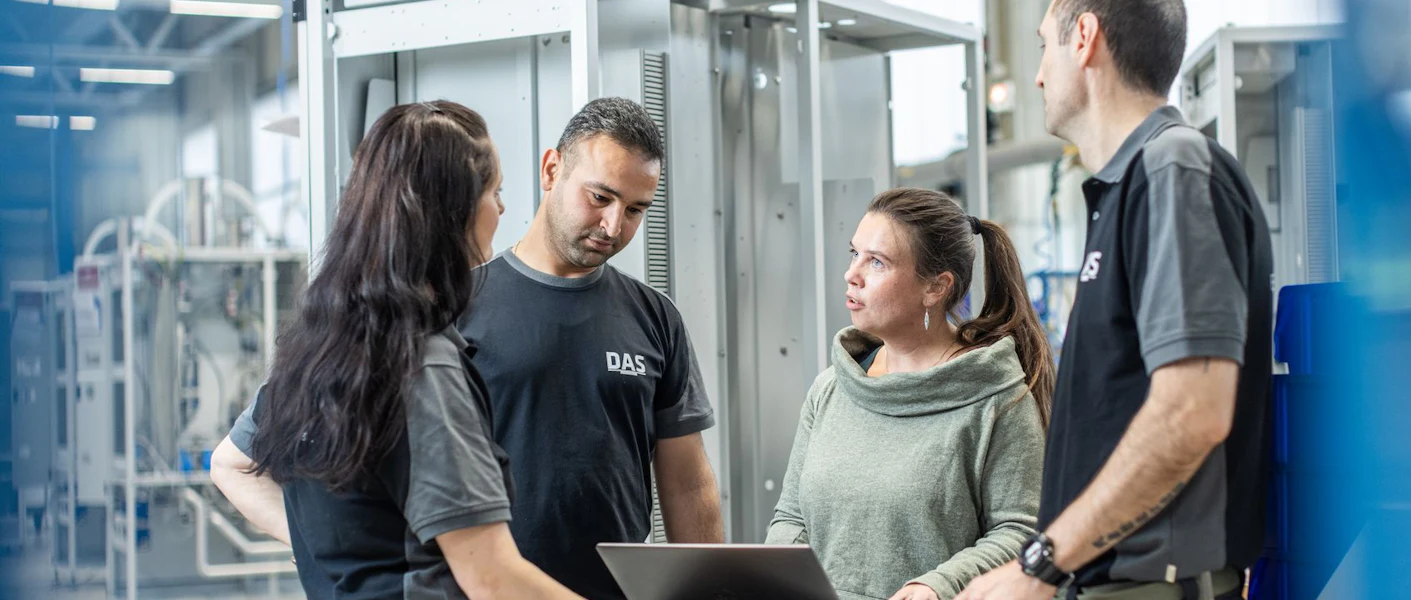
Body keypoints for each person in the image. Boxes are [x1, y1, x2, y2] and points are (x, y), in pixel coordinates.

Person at [958, 1, 1275, 599]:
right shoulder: (1131, 185)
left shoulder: (1173, 169)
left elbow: (1192, 411)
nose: (1038, 75)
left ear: (1084, 37)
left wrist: (1039, 564)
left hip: (1154, 585)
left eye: (1043, 46)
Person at [209, 101, 581, 599]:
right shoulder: (423, 364)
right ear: (453, 213)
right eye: (495, 191)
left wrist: (339, 567)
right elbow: (492, 579)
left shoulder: (321, 350)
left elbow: (229, 464)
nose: (503, 209)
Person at [456, 97, 722, 600]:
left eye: (635, 210)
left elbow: (687, 480)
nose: (613, 226)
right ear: (552, 169)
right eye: (600, 197)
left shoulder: (655, 318)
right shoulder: (458, 306)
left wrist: (710, 590)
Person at [766, 187, 1055, 600]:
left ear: (936, 288)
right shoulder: (830, 389)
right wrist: (774, 576)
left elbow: (1020, 532)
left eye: (877, 262)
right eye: (855, 254)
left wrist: (939, 585)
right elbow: (792, 516)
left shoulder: (998, 401)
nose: (852, 274)